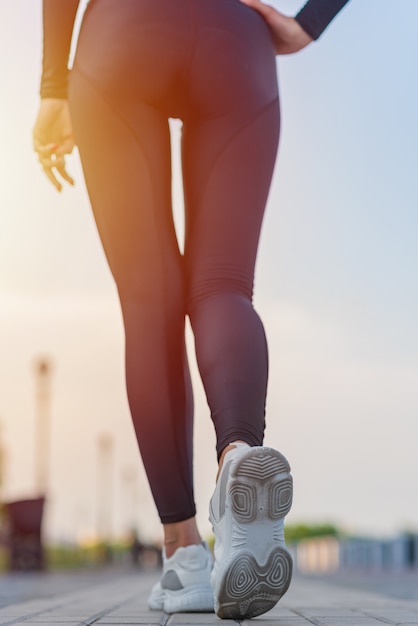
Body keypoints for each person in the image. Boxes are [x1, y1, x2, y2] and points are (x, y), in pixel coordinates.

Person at [33, 0, 349, 619]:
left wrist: (52, 87)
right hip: (237, 42)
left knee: (149, 299)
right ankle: (238, 457)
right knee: (225, 285)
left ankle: (186, 559)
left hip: (123, 37)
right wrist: (310, 22)